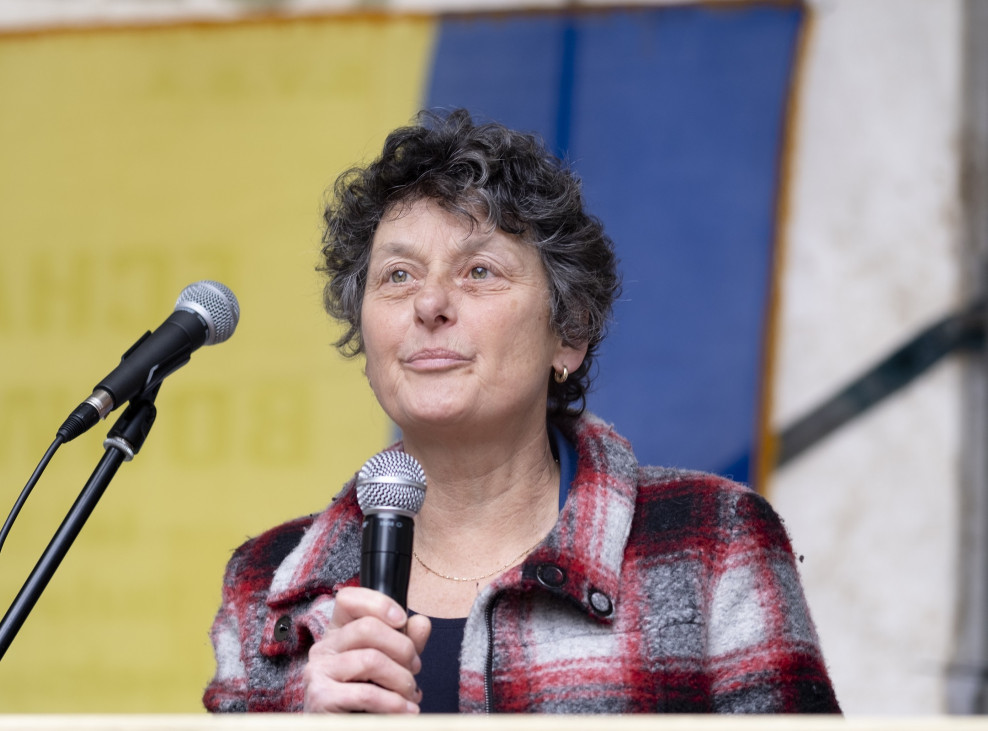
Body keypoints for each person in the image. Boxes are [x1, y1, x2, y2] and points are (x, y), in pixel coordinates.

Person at [202, 109, 840, 714]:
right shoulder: (265, 585)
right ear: (365, 340)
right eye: (396, 275)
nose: (429, 305)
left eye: (479, 271)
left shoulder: (711, 541)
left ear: (568, 332)